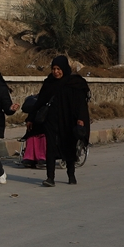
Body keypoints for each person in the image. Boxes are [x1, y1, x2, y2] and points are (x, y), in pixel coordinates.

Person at [29, 55, 91, 187]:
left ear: (64, 68)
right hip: (51, 120)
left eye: (58, 69)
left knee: (69, 146)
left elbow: (81, 103)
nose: (56, 72)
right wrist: (30, 118)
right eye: (53, 69)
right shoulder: (49, 83)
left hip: (68, 120)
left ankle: (71, 174)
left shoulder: (74, 83)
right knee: (50, 148)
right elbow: (40, 101)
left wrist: (81, 119)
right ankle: (50, 177)